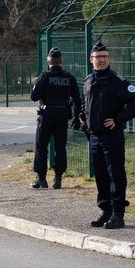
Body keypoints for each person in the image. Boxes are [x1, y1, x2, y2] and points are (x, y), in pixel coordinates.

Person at [79, 41, 135, 229]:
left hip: (111, 136)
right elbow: (84, 100)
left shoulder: (117, 81)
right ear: (91, 60)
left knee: (115, 173)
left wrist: (118, 119)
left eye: (104, 57)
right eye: (98, 57)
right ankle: (105, 210)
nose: (101, 60)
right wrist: (83, 115)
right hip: (94, 136)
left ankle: (118, 214)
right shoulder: (89, 80)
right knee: (100, 174)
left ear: (108, 59)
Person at [30, 47, 82, 189]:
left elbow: (34, 96)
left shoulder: (44, 77)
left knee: (41, 146)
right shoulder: (69, 78)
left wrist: (36, 84)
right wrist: (78, 117)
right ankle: (58, 178)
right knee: (60, 147)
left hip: (46, 114)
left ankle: (41, 179)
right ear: (61, 61)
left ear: (49, 62)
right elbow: (78, 100)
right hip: (62, 115)